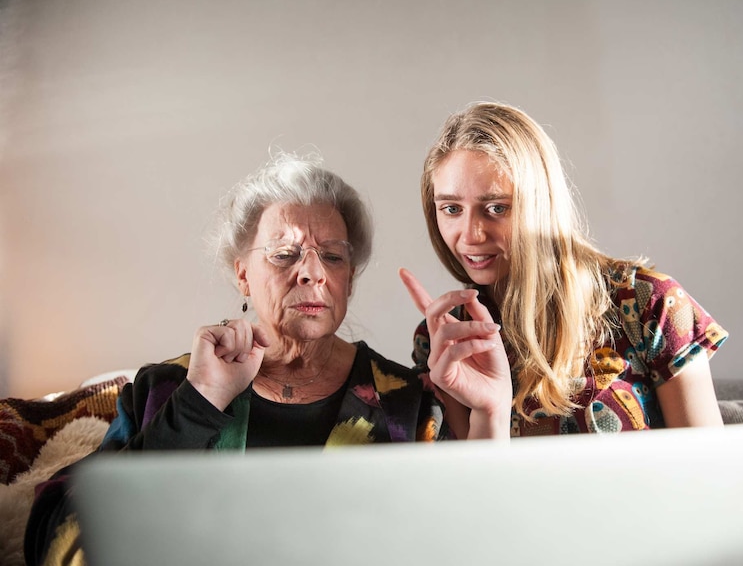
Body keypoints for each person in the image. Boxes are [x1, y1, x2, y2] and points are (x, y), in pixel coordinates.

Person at [25, 151, 464, 566]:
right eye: (284, 254)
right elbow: (56, 535)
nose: (313, 272)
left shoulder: (408, 402)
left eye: (333, 256)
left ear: (348, 280)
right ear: (243, 276)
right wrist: (199, 403)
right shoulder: (167, 389)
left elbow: (459, 540)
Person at [400, 101, 728, 439]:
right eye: (451, 208)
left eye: (496, 207)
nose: (470, 234)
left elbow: (711, 472)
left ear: (541, 204)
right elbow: (471, 488)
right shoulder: (446, 336)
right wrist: (488, 411)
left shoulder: (648, 303)